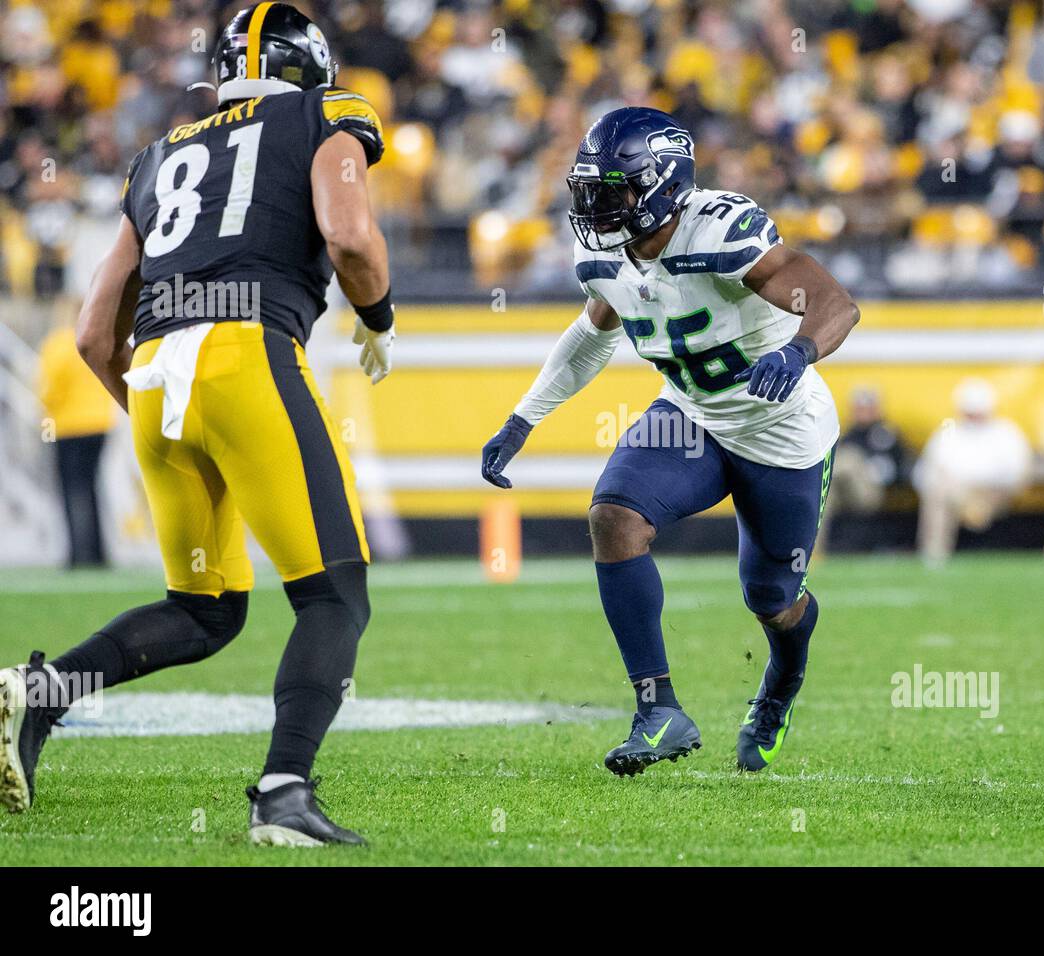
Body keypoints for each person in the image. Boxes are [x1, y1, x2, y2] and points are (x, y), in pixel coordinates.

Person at [0, 3, 394, 846]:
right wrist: (381, 316)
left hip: (155, 369)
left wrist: (157, 403)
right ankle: (284, 795)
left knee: (205, 608)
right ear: (307, 68)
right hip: (248, 351)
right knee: (333, 596)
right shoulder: (327, 111)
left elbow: (92, 333)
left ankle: (43, 693)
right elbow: (351, 235)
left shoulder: (160, 152)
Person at [481, 108, 859, 775]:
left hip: (780, 430)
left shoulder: (720, 230)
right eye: (589, 189)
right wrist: (522, 419)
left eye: (613, 189)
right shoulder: (604, 250)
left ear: (659, 185)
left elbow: (835, 303)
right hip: (692, 414)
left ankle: (780, 687)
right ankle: (659, 710)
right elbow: (596, 329)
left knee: (772, 600)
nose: (595, 205)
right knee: (614, 516)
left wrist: (799, 352)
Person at [914, 377, 1031, 564]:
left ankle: (968, 515)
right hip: (953, 494)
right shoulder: (948, 432)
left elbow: (1018, 474)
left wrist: (978, 485)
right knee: (939, 493)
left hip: (993, 494)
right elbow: (925, 471)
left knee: (945, 491)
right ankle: (934, 554)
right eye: (970, 413)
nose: (973, 417)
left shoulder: (1005, 432)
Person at [37, 321, 119, 567]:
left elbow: (48, 389)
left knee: (72, 490)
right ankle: (97, 552)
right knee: (92, 488)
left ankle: (78, 554)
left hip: (67, 426)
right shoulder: (102, 337)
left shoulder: (59, 343)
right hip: (100, 423)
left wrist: (44, 419)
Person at [819, 386, 910, 553]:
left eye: (868, 408)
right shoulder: (847, 434)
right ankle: (816, 549)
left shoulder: (886, 433)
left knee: (848, 460)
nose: (864, 412)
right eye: (860, 408)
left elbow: (899, 466)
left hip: (872, 491)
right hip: (845, 490)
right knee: (825, 491)